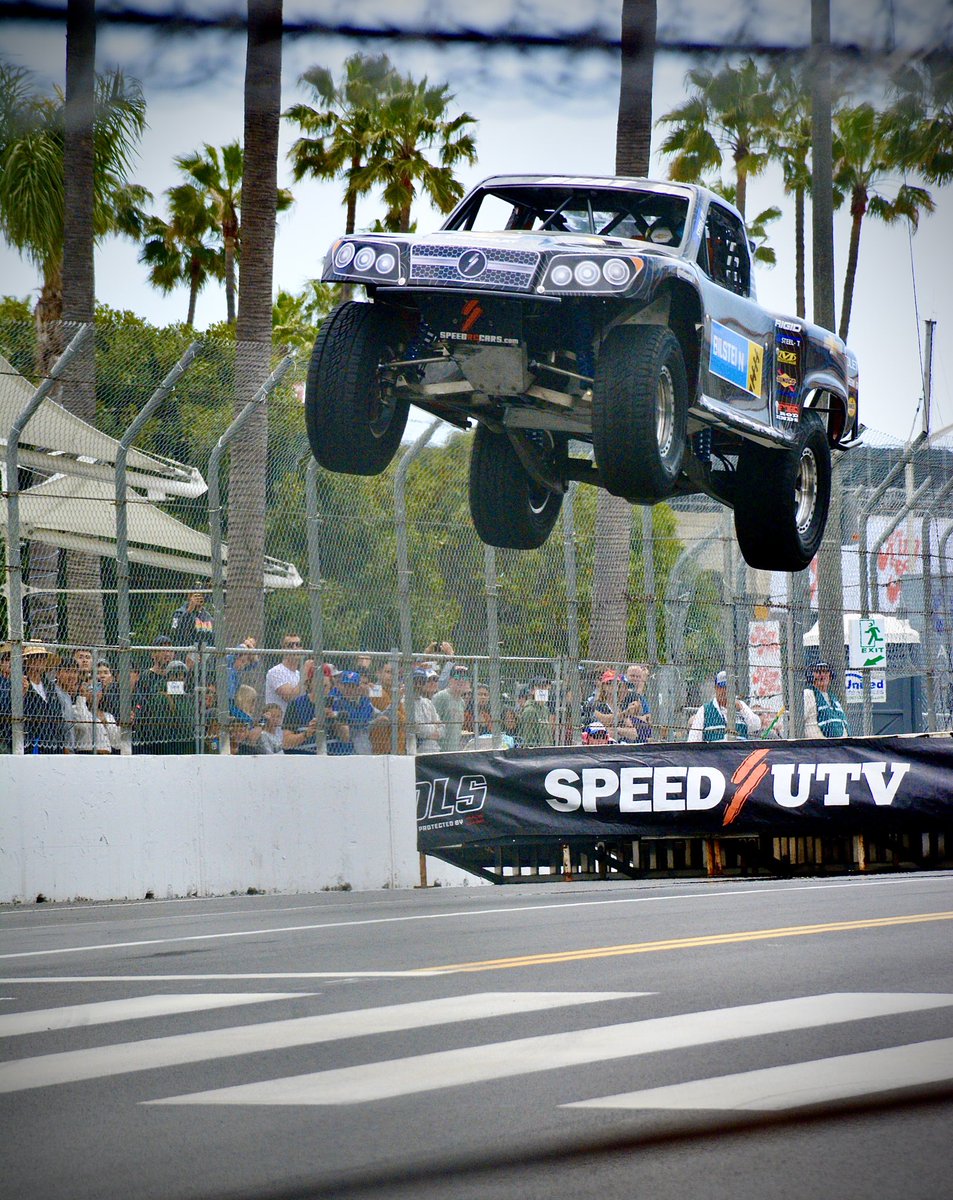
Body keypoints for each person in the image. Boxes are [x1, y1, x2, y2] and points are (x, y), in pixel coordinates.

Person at [135, 659, 195, 754]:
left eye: (182, 676)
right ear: (168, 677)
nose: (178, 679)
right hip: (164, 742)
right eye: (175, 675)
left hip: (185, 741)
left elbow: (188, 721)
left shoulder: (186, 698)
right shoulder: (159, 695)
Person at [687, 670, 761, 741]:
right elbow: (693, 739)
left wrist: (742, 709)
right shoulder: (705, 710)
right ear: (715, 688)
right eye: (721, 687)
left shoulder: (741, 706)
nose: (724, 691)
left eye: (728, 687)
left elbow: (756, 726)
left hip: (739, 752)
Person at [22, 643, 68, 753]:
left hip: (53, 740)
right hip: (31, 738)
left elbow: (57, 712)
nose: (40, 661)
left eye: (43, 658)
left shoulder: (50, 686)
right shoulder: (21, 682)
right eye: (35, 657)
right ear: (27, 661)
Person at [329, 669, 382, 755]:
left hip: (362, 743)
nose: (348, 689)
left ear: (358, 687)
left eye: (352, 686)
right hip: (341, 747)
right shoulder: (335, 699)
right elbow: (357, 721)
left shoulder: (364, 701)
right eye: (346, 685)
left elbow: (368, 717)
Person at [264, 634, 309, 718]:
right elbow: (290, 697)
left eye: (298, 645)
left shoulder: (299, 674)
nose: (295, 648)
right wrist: (306, 672)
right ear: (283, 649)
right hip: (279, 726)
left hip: (297, 724)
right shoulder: (276, 671)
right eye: (290, 645)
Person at [804, 661, 850, 738]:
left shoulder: (833, 699)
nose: (822, 675)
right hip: (818, 746)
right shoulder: (808, 694)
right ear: (810, 676)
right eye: (818, 672)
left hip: (837, 747)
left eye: (825, 672)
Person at [368, 661, 406, 754]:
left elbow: (402, 715)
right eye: (388, 672)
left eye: (393, 673)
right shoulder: (375, 690)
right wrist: (404, 719)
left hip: (398, 745)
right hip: (383, 747)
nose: (391, 676)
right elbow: (393, 714)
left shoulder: (394, 691)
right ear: (378, 673)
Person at [433, 664, 472, 751]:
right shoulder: (441, 697)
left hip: (453, 749)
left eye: (465, 678)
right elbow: (432, 724)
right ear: (450, 680)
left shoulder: (461, 702)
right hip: (439, 749)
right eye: (457, 677)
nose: (461, 680)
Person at [171, 582, 214, 647]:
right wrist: (189, 611)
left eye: (201, 595)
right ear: (189, 596)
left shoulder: (207, 616)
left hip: (206, 652)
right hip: (186, 652)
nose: (199, 597)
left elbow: (213, 637)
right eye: (196, 595)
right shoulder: (179, 613)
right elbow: (176, 633)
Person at [412, 667, 444, 753]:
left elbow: (442, 728)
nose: (418, 685)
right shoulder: (406, 702)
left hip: (434, 749)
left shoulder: (427, 702)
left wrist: (428, 731)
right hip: (417, 750)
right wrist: (434, 726)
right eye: (429, 680)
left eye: (422, 681)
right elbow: (417, 729)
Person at [517, 678, 555, 747]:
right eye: (541, 688)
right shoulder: (530, 710)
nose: (545, 691)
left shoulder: (545, 709)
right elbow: (529, 739)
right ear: (532, 691)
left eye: (547, 689)